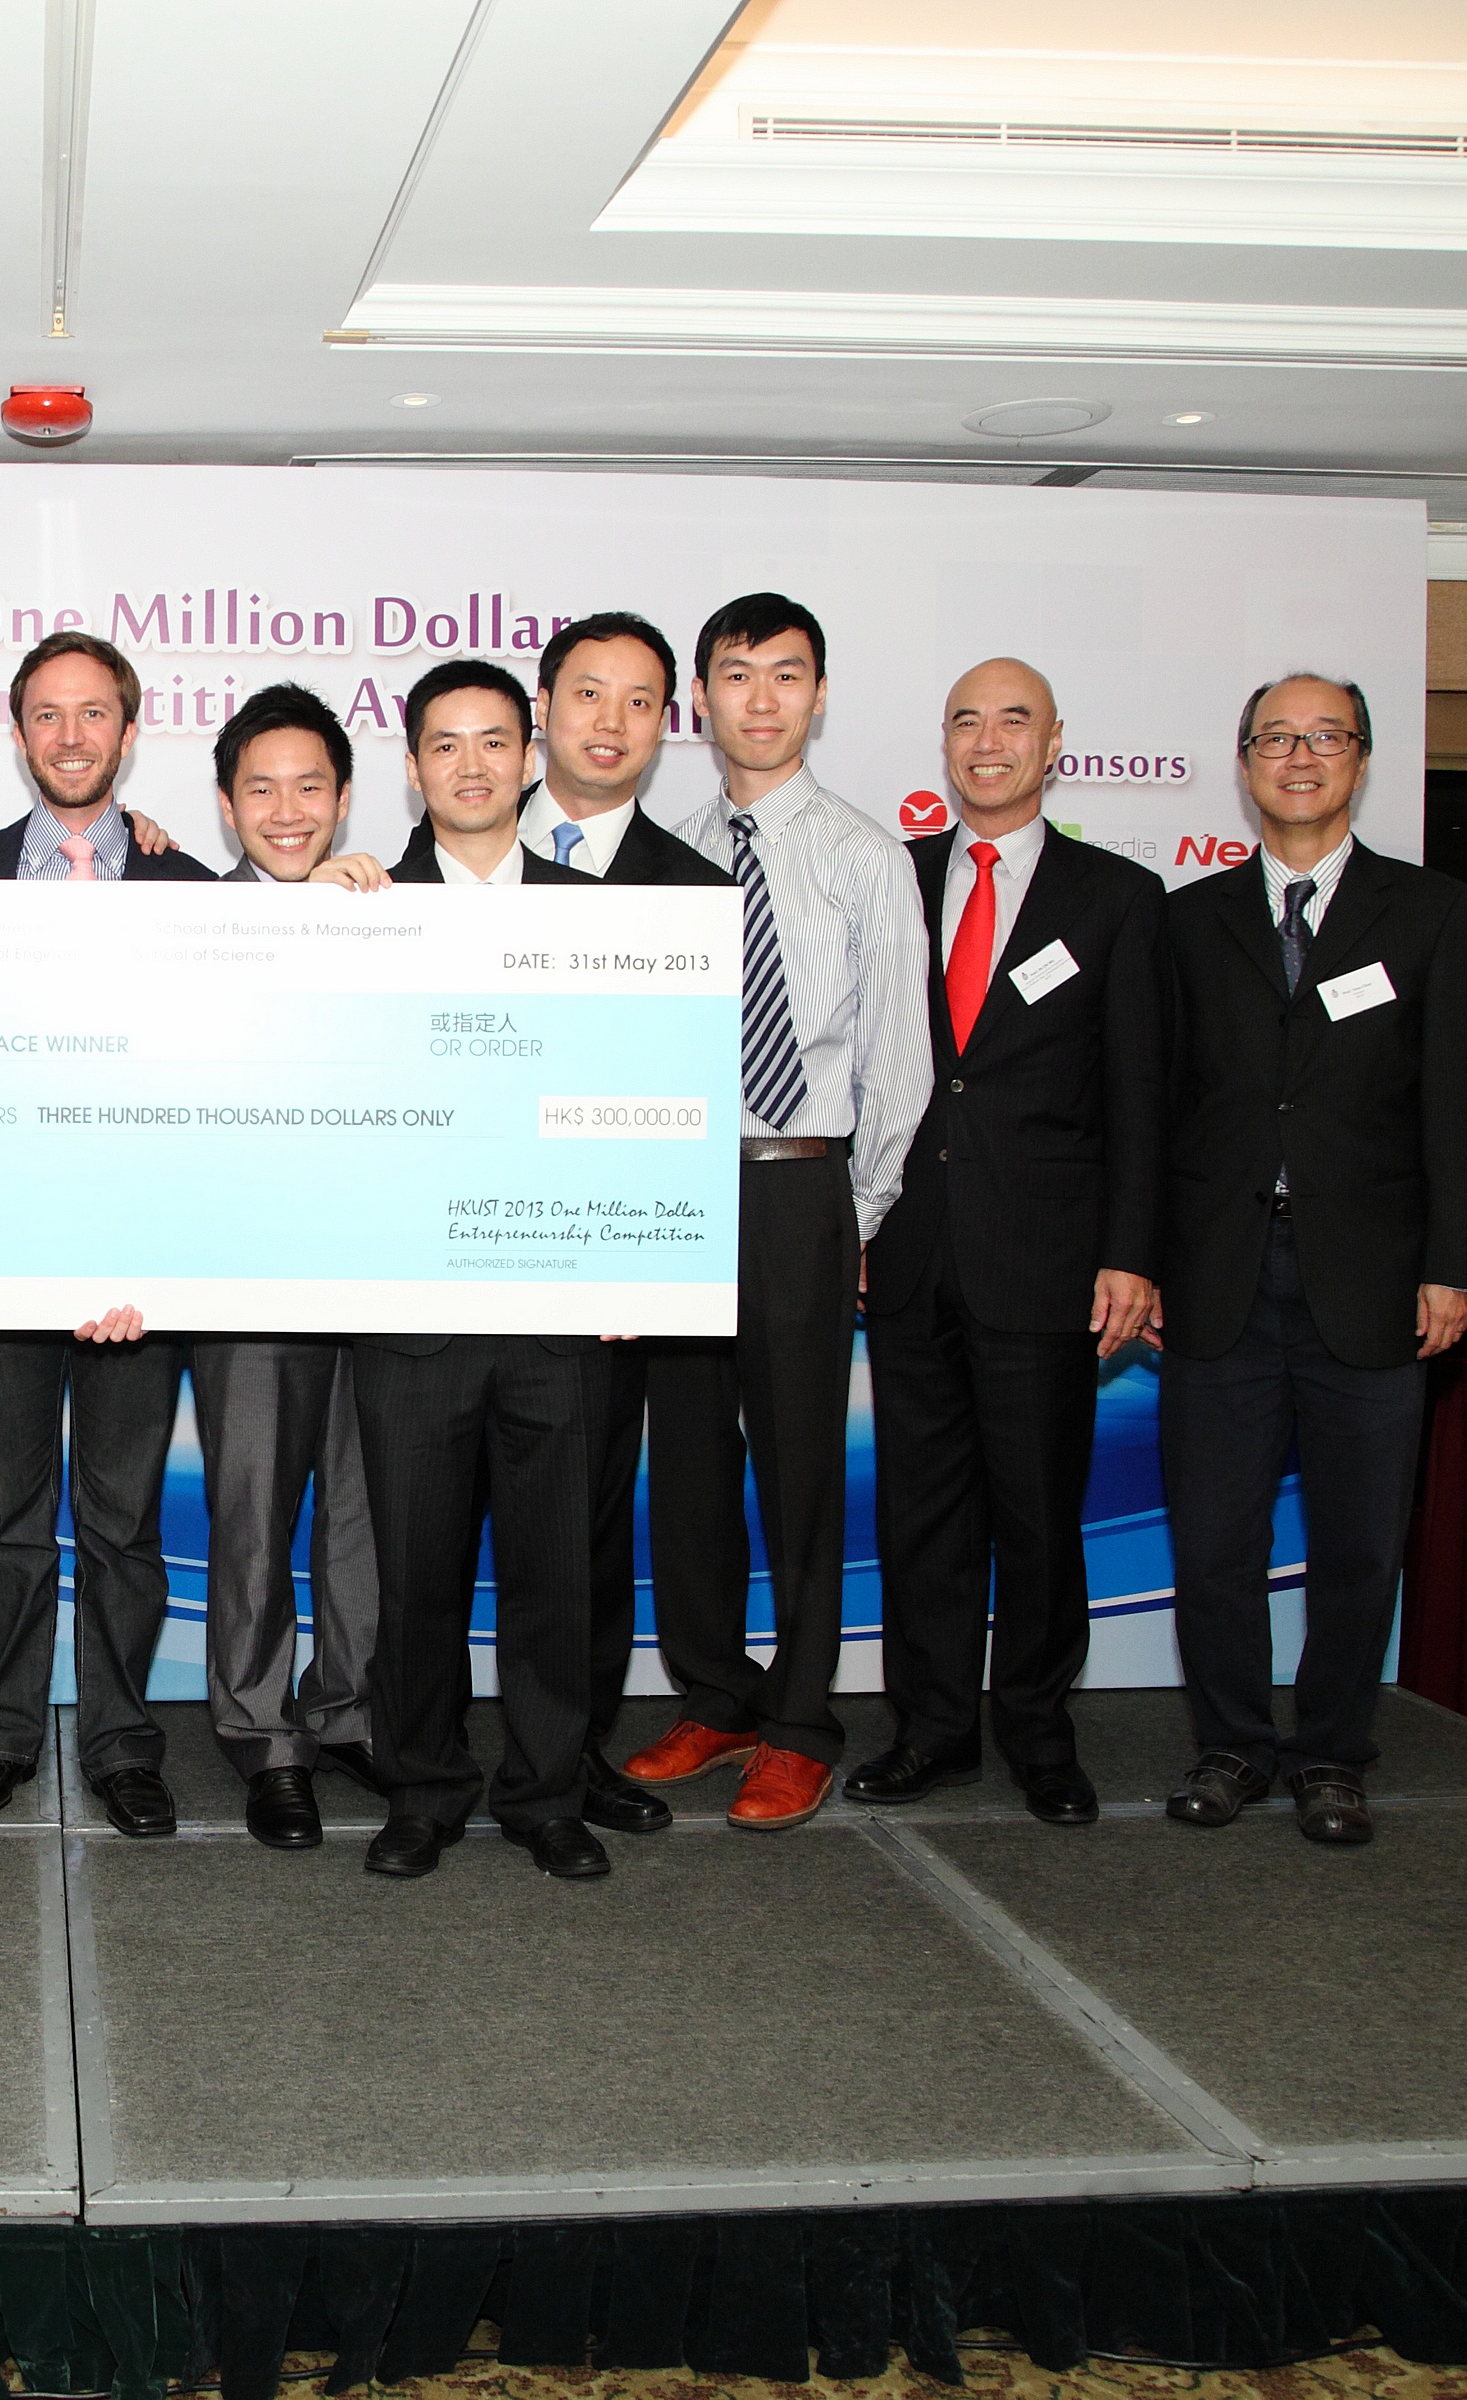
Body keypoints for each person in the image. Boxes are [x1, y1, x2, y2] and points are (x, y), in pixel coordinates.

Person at [1154, 673, 1467, 1846]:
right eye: (1275, 739)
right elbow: (1159, 1113)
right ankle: (1231, 1747)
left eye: (1326, 739)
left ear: (1361, 761)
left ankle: (1332, 1756)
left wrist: (1455, 1265)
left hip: (1376, 1284)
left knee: (1360, 1542)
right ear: (1242, 760)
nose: (1299, 758)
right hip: (1219, 1281)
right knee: (1213, 1542)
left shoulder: (1434, 914)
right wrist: (1141, 1260)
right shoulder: (1188, 920)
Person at [623, 592, 932, 1831]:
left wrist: (849, 1215)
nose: (759, 699)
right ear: (700, 700)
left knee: (801, 1469)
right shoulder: (671, 849)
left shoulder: (866, 856)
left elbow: (900, 1063)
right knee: (690, 1464)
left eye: (785, 675)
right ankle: (719, 1695)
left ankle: (802, 1718)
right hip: (680, 1185)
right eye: (736, 675)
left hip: (804, 1181)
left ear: (817, 695)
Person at [850, 658, 1163, 1828]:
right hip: (914, 1250)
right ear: (943, 745)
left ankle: (1038, 1732)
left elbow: (1141, 1093)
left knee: (1036, 1511)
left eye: (1013, 720)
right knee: (921, 1511)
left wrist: (1132, 1253)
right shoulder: (894, 877)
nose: (988, 740)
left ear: (1054, 744)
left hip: (1047, 1264)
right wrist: (860, 1223)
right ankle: (932, 1730)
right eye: (966, 721)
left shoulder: (1117, 900)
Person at [0, 634, 214, 1837]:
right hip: (0, 1252)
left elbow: (216, 1087)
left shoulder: (192, 888)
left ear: (130, 730)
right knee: (4, 1510)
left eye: (94, 713)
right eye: (48, 714)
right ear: (19, 732)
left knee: (124, 1518)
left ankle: (122, 1742)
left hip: (143, 1268)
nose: (72, 736)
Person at [359, 659, 607, 1879]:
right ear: (411, 767)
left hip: (560, 1307)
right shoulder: (357, 909)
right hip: (409, 1311)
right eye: (444, 744)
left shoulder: (597, 918)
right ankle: (422, 1789)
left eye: (494, 741)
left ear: (530, 757)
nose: (471, 764)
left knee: (558, 1571)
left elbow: (631, 1100)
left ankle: (547, 1791)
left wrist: (638, 1270)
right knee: (416, 1577)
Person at [521, 610, 736, 1838]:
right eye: (589, 694)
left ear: (670, 724)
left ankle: (578, 1748)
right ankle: (426, 1748)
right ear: (544, 705)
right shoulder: (416, 864)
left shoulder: (694, 892)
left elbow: (698, 1101)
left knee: (590, 1529)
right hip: (442, 1266)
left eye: (640, 701)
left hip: (601, 1272)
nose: (611, 723)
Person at [192, 682, 394, 1847]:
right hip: (243, 1268)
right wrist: (295, 923)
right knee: (256, 1510)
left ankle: (352, 1712)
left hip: (381, 1262)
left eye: (309, 786)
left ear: (345, 796)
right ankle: (266, 1738)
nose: (287, 809)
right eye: (260, 788)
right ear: (226, 807)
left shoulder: (400, 910)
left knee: (364, 1510)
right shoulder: (199, 924)